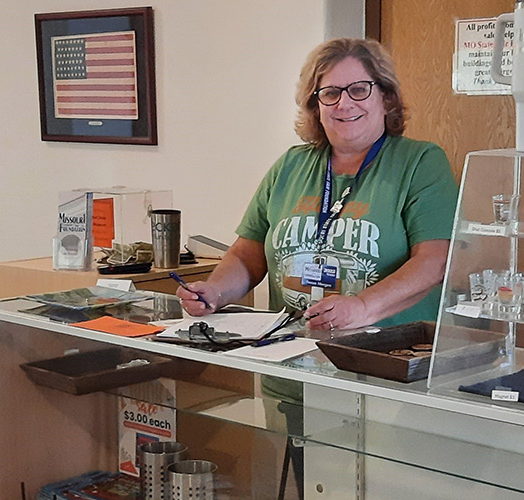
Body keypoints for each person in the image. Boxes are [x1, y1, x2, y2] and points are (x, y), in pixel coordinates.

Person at [173, 38, 457, 496]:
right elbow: (248, 253)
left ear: (385, 97)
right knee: (311, 488)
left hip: (384, 380)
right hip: (292, 375)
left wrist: (362, 308)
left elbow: (435, 260)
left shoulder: (420, 163)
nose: (344, 103)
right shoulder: (291, 166)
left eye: (359, 89)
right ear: (315, 105)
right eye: (330, 93)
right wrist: (216, 292)